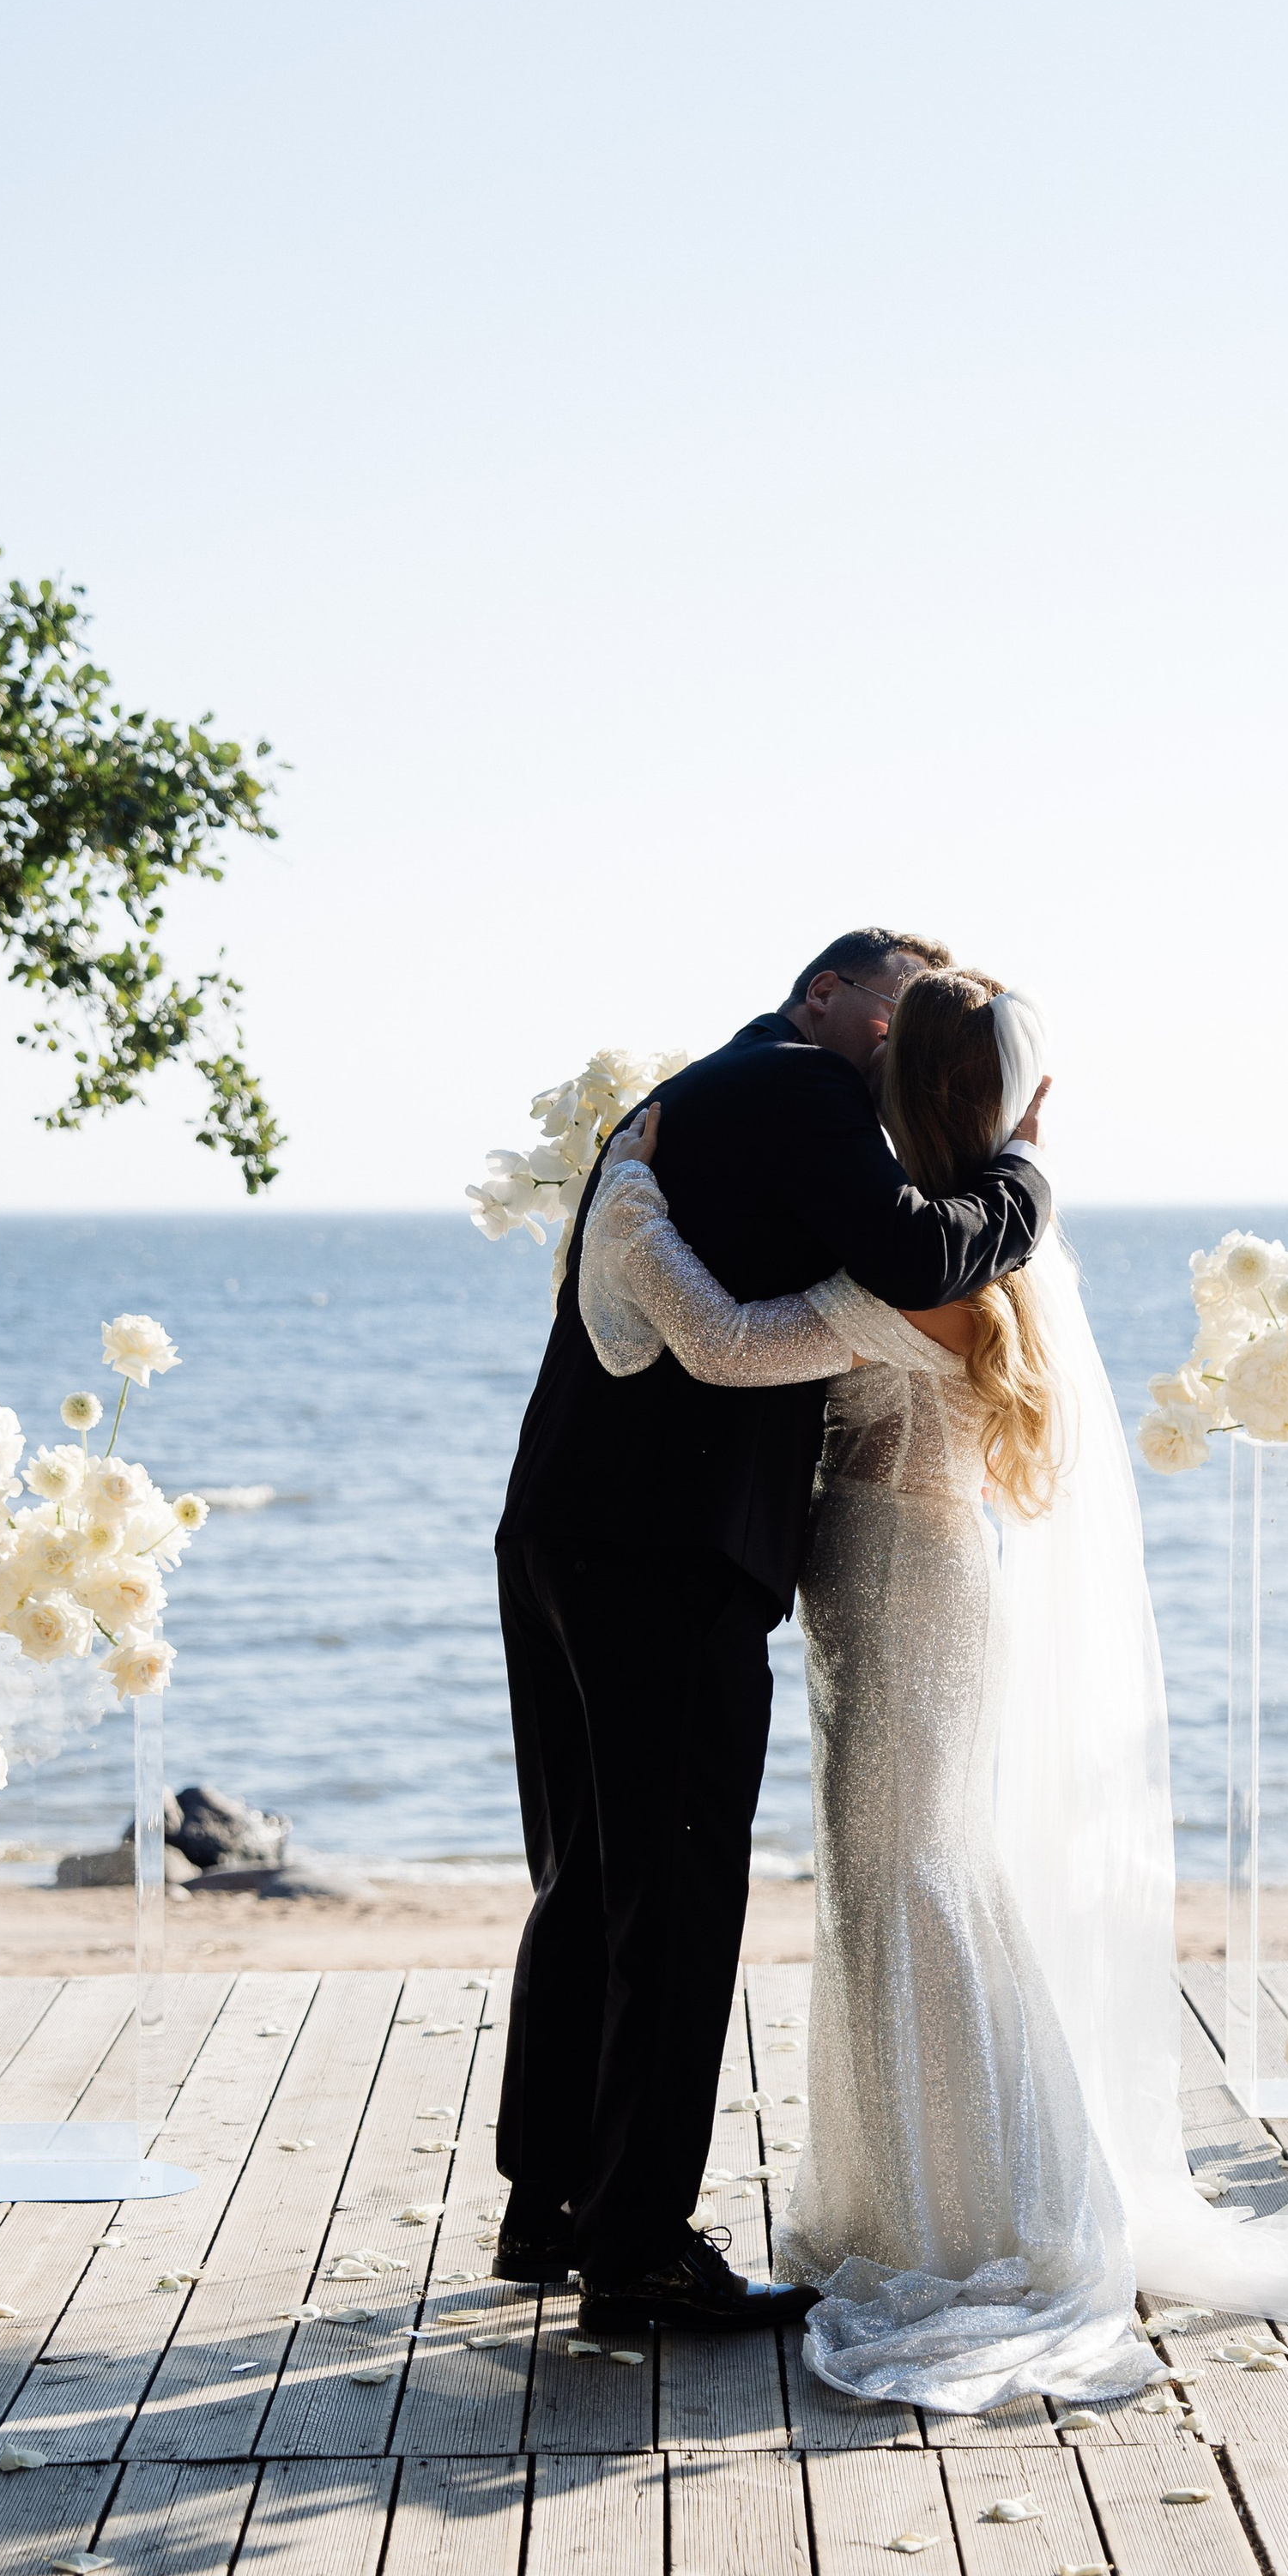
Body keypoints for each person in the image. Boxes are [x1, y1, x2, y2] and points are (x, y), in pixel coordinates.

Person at [576, 965, 1288, 2402]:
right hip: (895, 1581)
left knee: (915, 1881)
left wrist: (628, 1203)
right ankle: (910, 2205)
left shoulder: (925, 1283)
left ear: (900, 1083)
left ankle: (994, 2217)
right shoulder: (964, 1244)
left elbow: (723, 1344)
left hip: (903, 1583)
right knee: (896, 1882)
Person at [492, 929, 1053, 2334]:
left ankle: (551, 2202)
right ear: (823, 995)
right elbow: (909, 1254)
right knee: (673, 1896)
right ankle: (634, 2250)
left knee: (587, 1878)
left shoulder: (684, 1102)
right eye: (890, 1007)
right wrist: (1026, 1172)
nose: (897, 1038)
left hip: (558, 1527)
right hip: (666, 1552)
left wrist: (622, 1192)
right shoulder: (803, 1090)